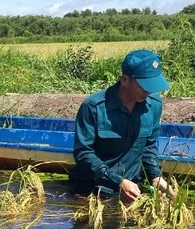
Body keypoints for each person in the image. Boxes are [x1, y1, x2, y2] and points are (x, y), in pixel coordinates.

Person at [69, 49, 173, 202]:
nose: (149, 92)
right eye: (145, 86)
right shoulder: (94, 107)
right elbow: (84, 154)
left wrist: (155, 176)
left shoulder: (154, 106)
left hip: (132, 191)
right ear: (125, 80)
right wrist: (118, 182)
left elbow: (149, 147)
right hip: (92, 191)